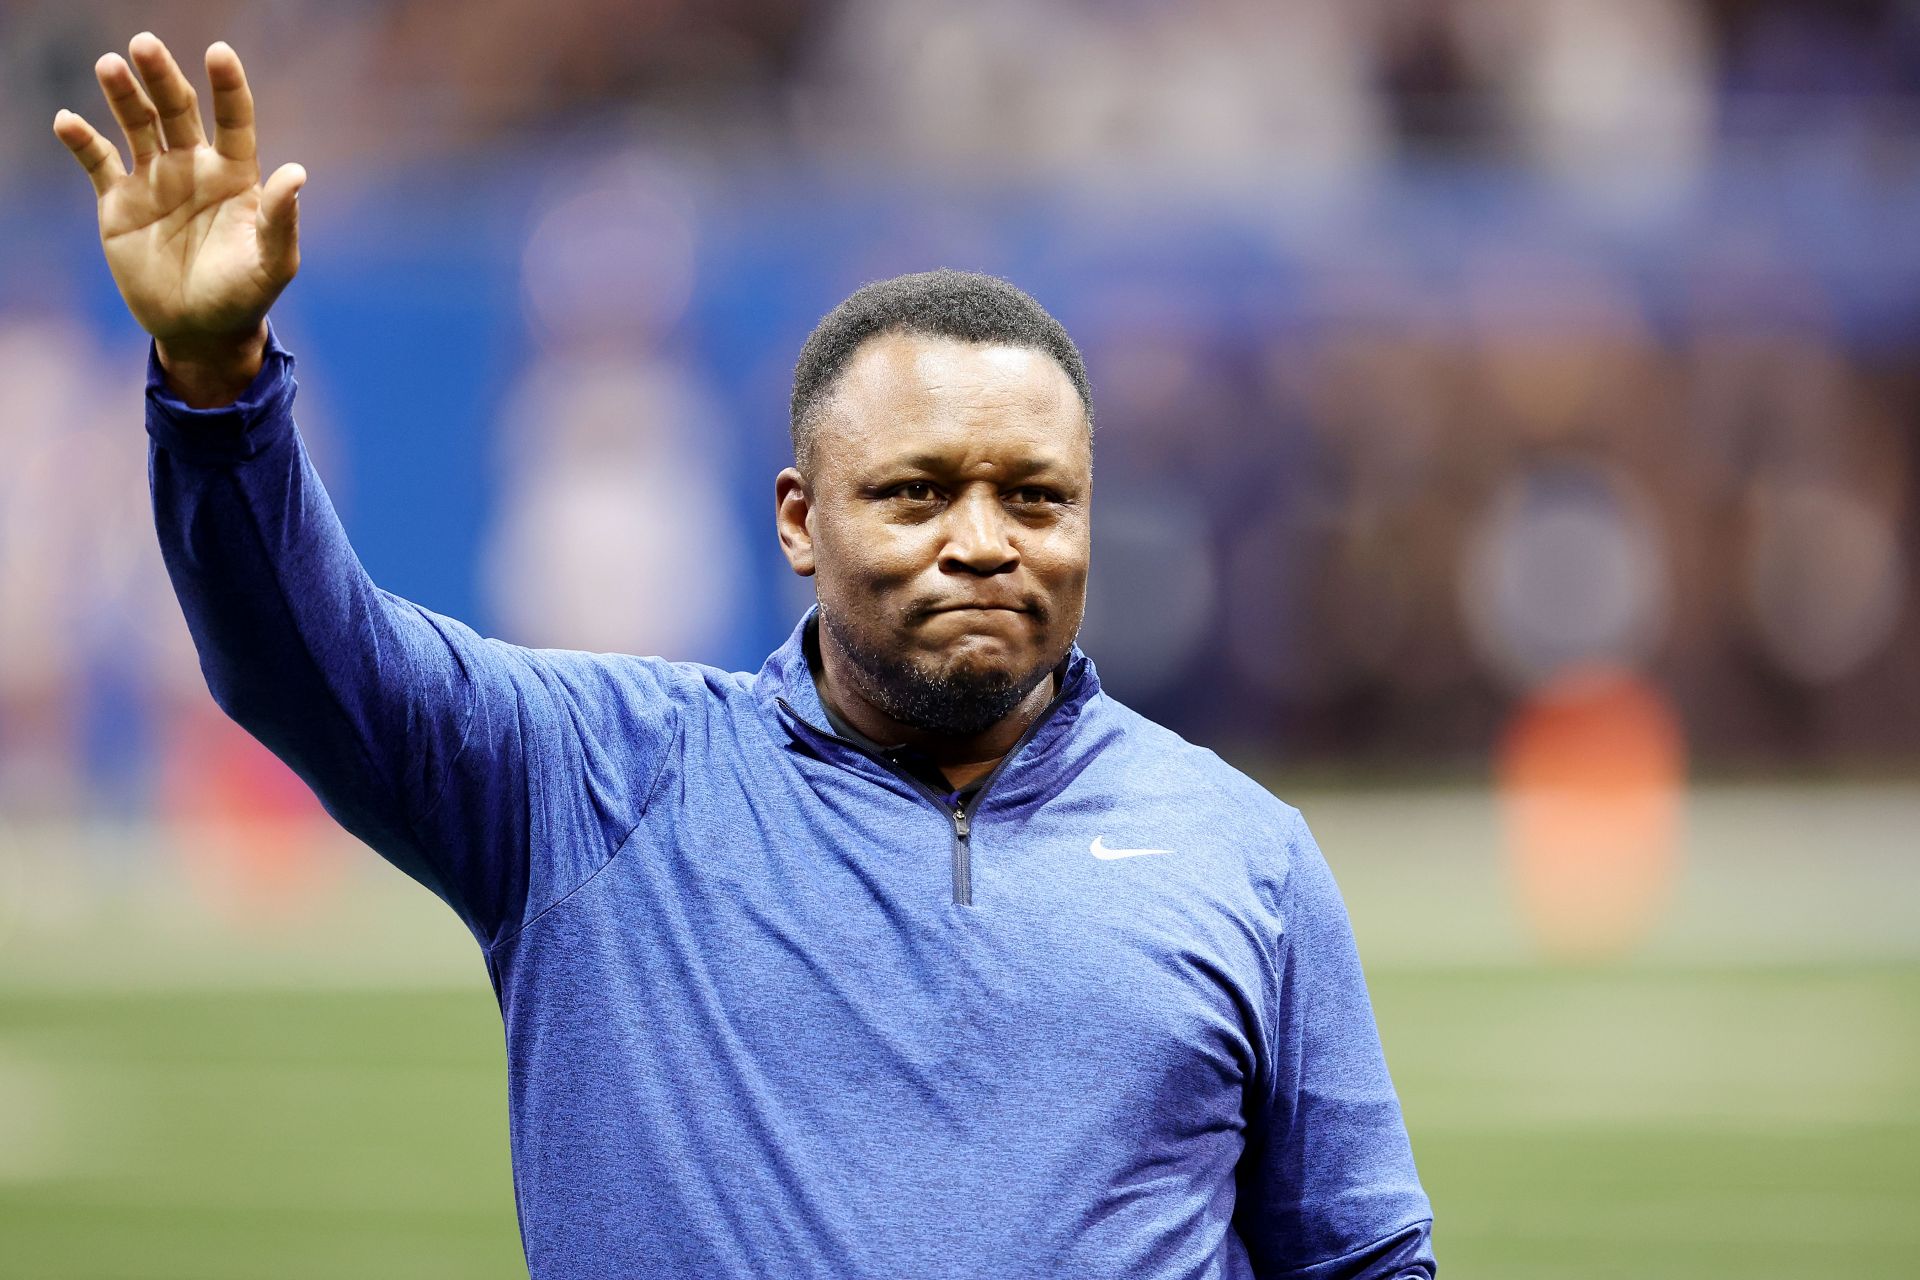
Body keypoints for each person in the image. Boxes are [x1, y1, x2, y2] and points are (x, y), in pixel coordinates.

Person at [55, 33, 1436, 1280]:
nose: (983, 541)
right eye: (915, 492)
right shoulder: (592, 781)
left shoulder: (1244, 853)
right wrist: (217, 378)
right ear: (798, 520)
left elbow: (1364, 1260)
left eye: (1035, 496)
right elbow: (307, 663)